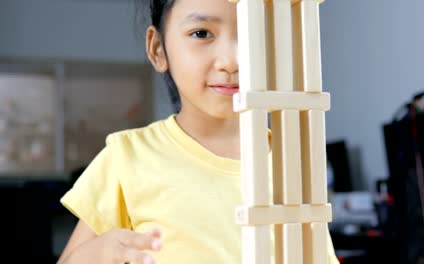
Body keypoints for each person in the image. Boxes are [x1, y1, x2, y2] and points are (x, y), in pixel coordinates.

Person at [57, 0, 340, 263]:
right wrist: (99, 253)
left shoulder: (294, 161)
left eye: (255, 32)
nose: (232, 61)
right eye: (202, 33)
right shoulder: (127, 158)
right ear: (157, 49)